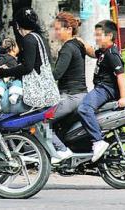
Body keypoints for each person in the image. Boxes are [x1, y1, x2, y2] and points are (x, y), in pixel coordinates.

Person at [0, 7, 59, 157]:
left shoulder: (28, 39)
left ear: (18, 26)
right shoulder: (40, 38)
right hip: (45, 94)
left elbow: (27, 67)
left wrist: (4, 72)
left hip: (31, 96)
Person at [77, 20, 125, 162]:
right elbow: (93, 53)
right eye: (95, 35)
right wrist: (80, 42)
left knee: (84, 109)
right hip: (101, 87)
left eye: (99, 35)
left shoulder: (112, 54)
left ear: (109, 35)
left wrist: (123, 97)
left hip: (106, 89)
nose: (96, 38)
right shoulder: (104, 51)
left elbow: (121, 76)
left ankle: (98, 140)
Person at [49, 12, 88, 164]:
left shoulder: (67, 48)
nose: (56, 32)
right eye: (56, 29)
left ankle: (61, 150)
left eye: (59, 29)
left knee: (40, 121)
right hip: (80, 94)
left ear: (69, 29)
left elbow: (57, 73)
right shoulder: (78, 44)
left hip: (70, 96)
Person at [0, 37, 21, 111]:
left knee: (15, 84)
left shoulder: (14, 58)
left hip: (9, 80)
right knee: (0, 86)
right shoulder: (3, 58)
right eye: (17, 45)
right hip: (6, 79)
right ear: (12, 48)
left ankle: (12, 97)